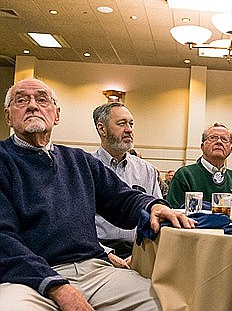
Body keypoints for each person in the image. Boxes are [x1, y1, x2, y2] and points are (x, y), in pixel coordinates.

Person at [0, 78, 196, 310]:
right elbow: (3, 238)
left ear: (57, 114)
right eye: (21, 100)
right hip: (28, 277)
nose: (33, 105)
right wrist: (56, 286)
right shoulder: (4, 160)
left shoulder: (79, 160)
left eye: (42, 99)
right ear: (8, 117)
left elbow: (120, 198)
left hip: (94, 269)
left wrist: (153, 206)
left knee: (165, 304)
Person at [92, 102, 162, 267]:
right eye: (122, 123)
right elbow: (76, 225)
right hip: (96, 253)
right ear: (102, 129)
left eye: (131, 124)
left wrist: (140, 252)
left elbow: (157, 217)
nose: (129, 129)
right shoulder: (85, 168)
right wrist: (105, 253)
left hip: (139, 250)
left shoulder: (146, 170)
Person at [166, 123, 232, 208]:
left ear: (230, 149)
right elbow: (173, 211)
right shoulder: (184, 175)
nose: (219, 142)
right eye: (213, 138)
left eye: (224, 139)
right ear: (202, 146)